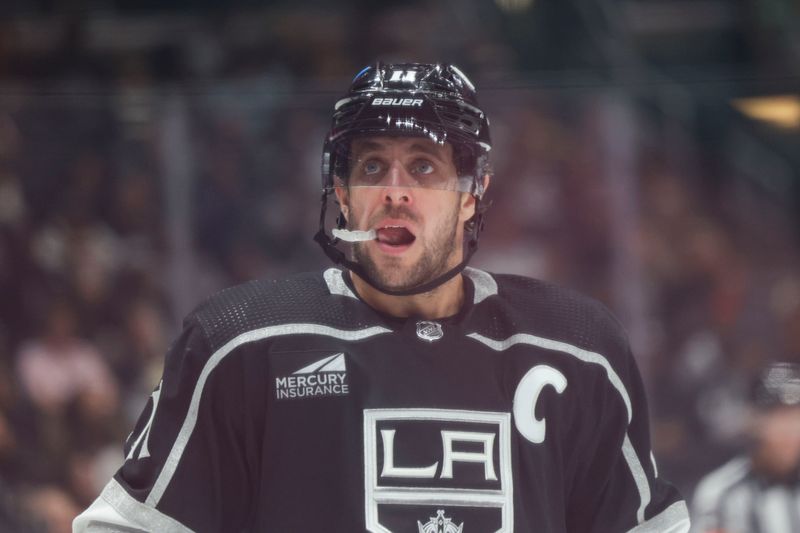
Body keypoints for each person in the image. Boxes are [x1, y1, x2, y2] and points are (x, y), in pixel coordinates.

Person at [73, 62, 689, 532]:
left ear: (472, 190)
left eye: (423, 167)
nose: (394, 192)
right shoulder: (243, 343)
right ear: (341, 193)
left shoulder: (579, 350)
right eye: (371, 168)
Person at [691, 362, 800, 533]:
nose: (791, 431)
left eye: (796, 418)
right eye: (779, 418)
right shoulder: (722, 494)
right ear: (755, 422)